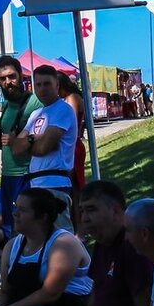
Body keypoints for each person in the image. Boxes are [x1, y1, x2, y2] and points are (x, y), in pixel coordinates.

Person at [10, 65, 77, 231]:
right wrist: (35, 138)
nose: (42, 89)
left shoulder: (63, 110)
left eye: (47, 84)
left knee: (60, 237)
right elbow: (16, 149)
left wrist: (28, 142)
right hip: (35, 184)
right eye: (38, 84)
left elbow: (44, 148)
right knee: (37, 238)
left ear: (57, 85)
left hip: (55, 182)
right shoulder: (36, 114)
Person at [0, 55, 43, 237]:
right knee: (12, 227)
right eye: (3, 78)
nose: (8, 82)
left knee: (27, 228)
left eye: (12, 76)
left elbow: (41, 141)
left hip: (26, 175)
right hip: (8, 175)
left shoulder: (34, 103)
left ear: (20, 75)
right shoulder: (7, 105)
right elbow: (10, 143)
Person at [57, 72, 86, 227]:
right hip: (72, 145)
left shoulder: (72, 98)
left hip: (73, 146)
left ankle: (79, 229)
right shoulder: (69, 98)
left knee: (75, 190)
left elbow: (71, 121)